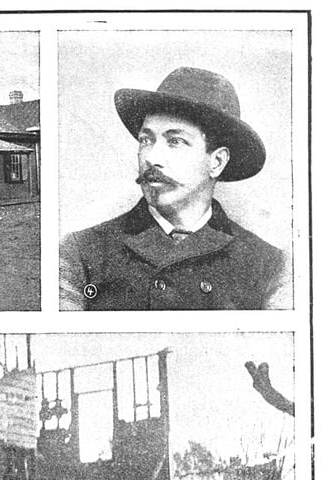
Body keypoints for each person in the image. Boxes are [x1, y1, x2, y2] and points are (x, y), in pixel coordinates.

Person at [60, 66, 288, 311]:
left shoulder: (268, 264)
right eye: (146, 140)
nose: (152, 157)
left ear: (217, 162)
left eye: (175, 141)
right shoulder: (81, 252)